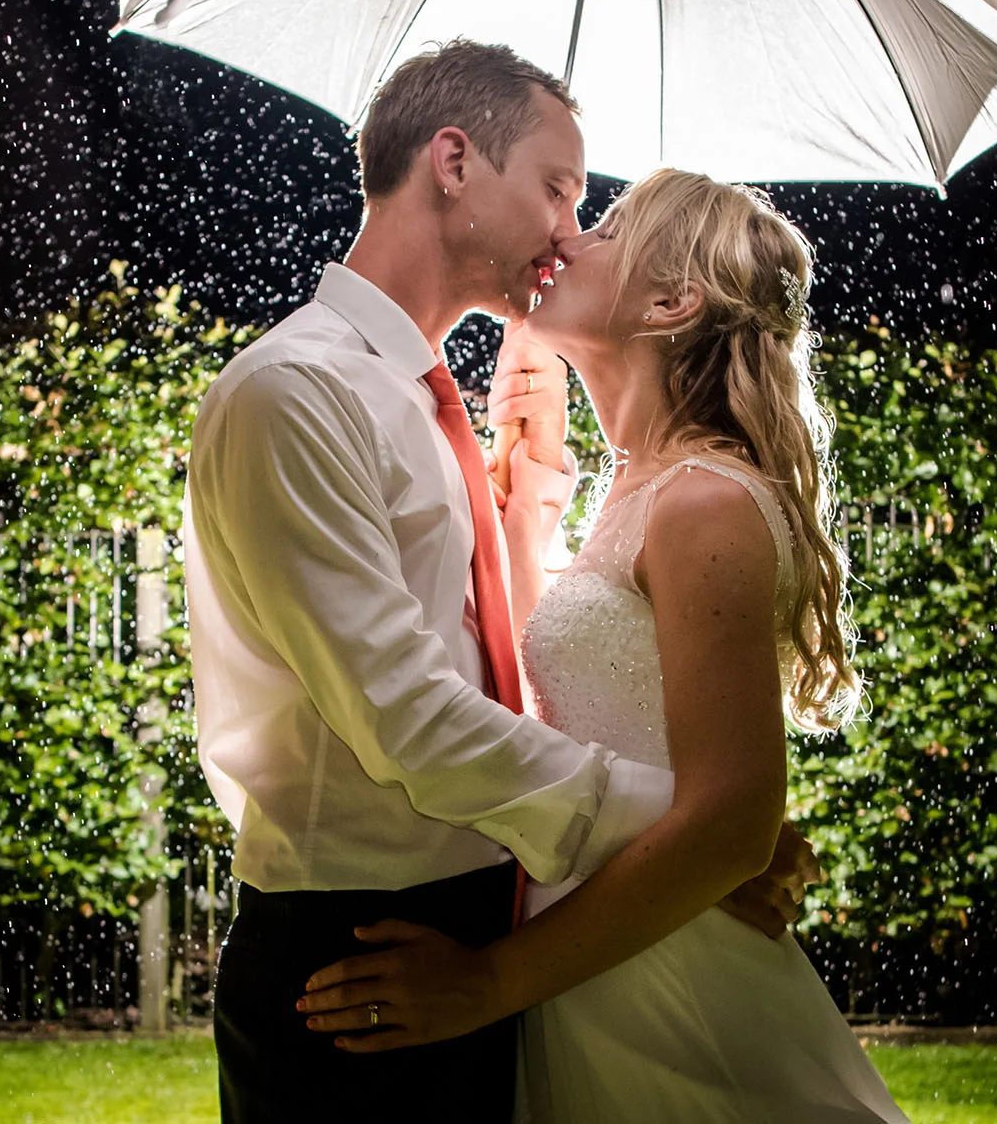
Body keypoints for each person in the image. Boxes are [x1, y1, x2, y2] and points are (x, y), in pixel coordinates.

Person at [183, 43, 817, 1122]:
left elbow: (508, 677)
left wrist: (527, 510)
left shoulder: (425, 410)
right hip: (356, 955)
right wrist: (682, 827)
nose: (569, 229)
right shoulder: (297, 394)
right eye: (560, 189)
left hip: (489, 934)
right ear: (452, 162)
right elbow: (410, 718)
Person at [300, 167, 911, 1124]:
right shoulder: (640, 490)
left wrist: (485, 984)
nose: (573, 233)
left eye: (611, 226)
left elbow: (732, 822)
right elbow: (579, 704)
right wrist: (531, 493)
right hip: (610, 975)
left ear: (671, 302)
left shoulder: (707, 503)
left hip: (677, 986)